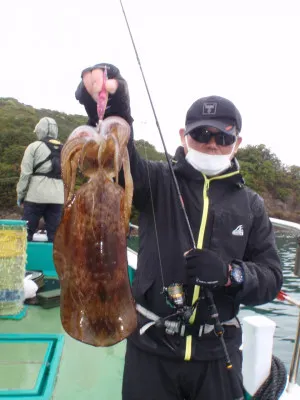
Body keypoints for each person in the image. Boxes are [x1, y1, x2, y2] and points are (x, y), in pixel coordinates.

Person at [75, 63, 283, 400]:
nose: (212, 143)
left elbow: (272, 277)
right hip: (150, 347)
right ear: (183, 137)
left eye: (223, 136)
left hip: (217, 354)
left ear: (237, 142)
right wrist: (113, 110)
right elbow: (115, 163)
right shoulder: (155, 181)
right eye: (201, 134)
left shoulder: (251, 204)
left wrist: (231, 275)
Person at [16, 117, 64, 242]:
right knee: (56, 237)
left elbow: (25, 174)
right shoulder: (65, 149)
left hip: (35, 197)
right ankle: (52, 261)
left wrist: (20, 195)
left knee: (25, 234)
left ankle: (27, 260)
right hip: (57, 198)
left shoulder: (34, 147)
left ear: (39, 130)